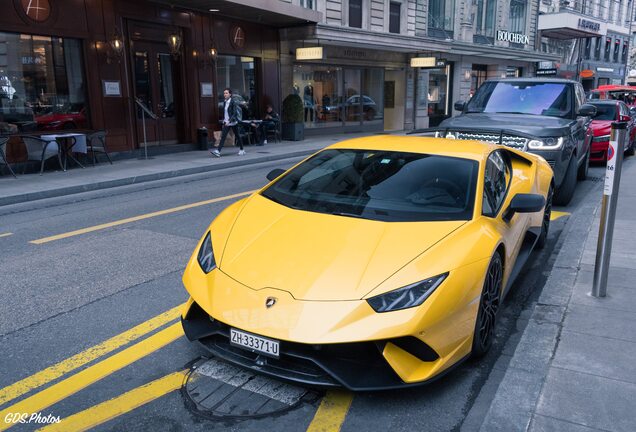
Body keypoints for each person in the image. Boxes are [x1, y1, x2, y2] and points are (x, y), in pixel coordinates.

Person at [211, 88, 244, 157]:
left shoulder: (233, 102)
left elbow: (234, 113)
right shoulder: (225, 102)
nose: (225, 94)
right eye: (224, 93)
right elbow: (226, 112)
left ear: (230, 94)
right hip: (226, 122)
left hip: (232, 122)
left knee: (237, 136)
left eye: (226, 93)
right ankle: (218, 151)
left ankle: (242, 149)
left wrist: (229, 121)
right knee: (223, 137)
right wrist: (224, 120)